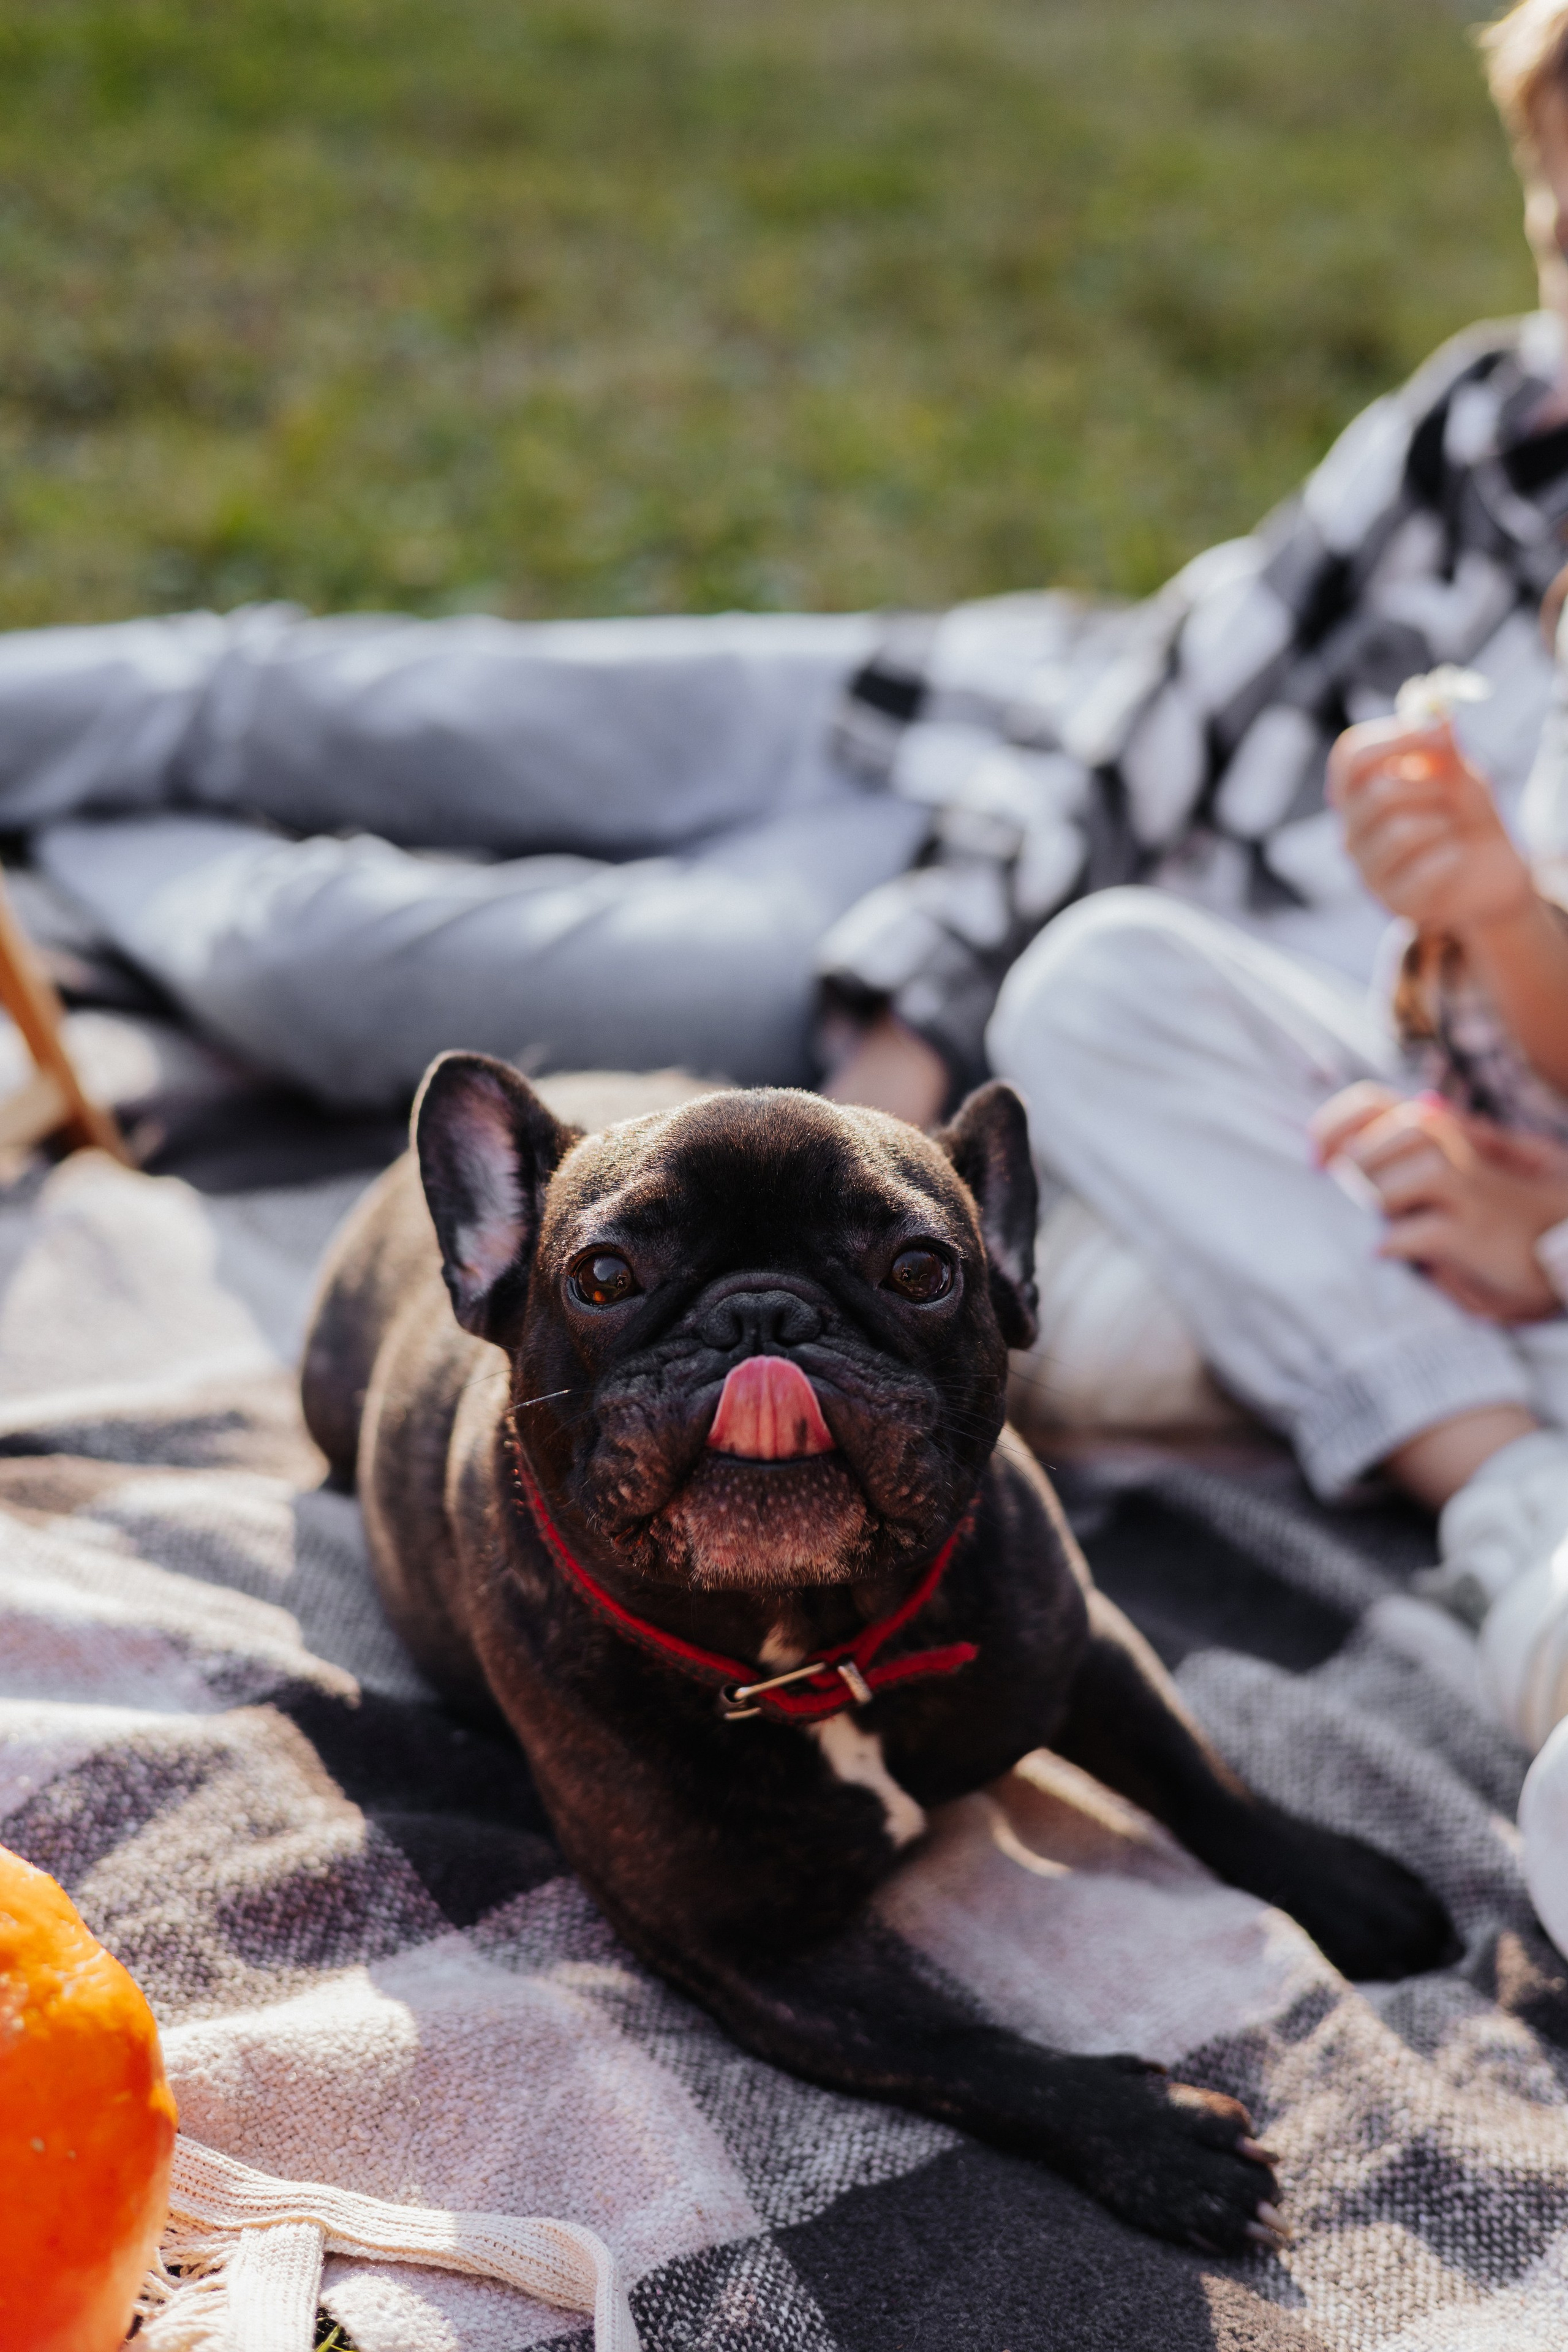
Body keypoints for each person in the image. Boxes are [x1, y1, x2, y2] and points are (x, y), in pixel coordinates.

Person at [6, 9, 1568, 1124]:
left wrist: (918, 1027)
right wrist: (928, 1000)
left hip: (963, 950)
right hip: (978, 712)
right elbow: (1175, 688)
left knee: (318, 966)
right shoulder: (1492, 414)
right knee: (312, 697)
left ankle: (56, 849)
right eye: (1551, 231)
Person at [987, 0, 1568, 1941]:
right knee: (1094, 992)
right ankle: (1495, 1468)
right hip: (1467, 1182)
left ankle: (1483, 1470)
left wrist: (1552, 1242)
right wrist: (1496, 916)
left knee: (1083, 1332)